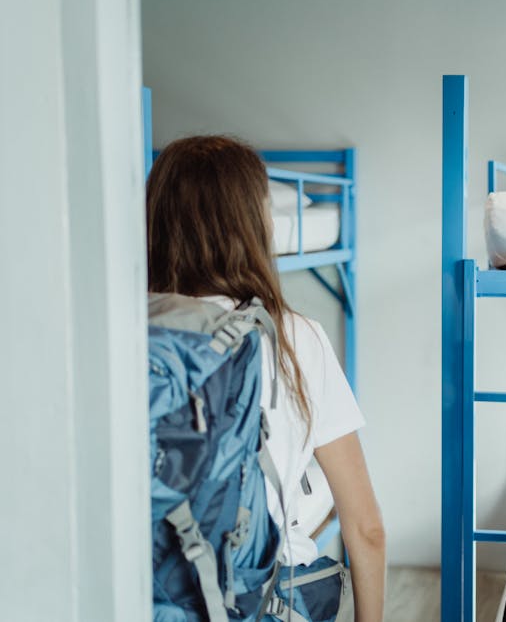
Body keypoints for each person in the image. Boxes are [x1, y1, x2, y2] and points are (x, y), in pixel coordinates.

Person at [146, 135, 385, 622]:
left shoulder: (115, 334)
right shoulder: (297, 337)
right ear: (254, 225)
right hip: (261, 602)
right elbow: (365, 527)